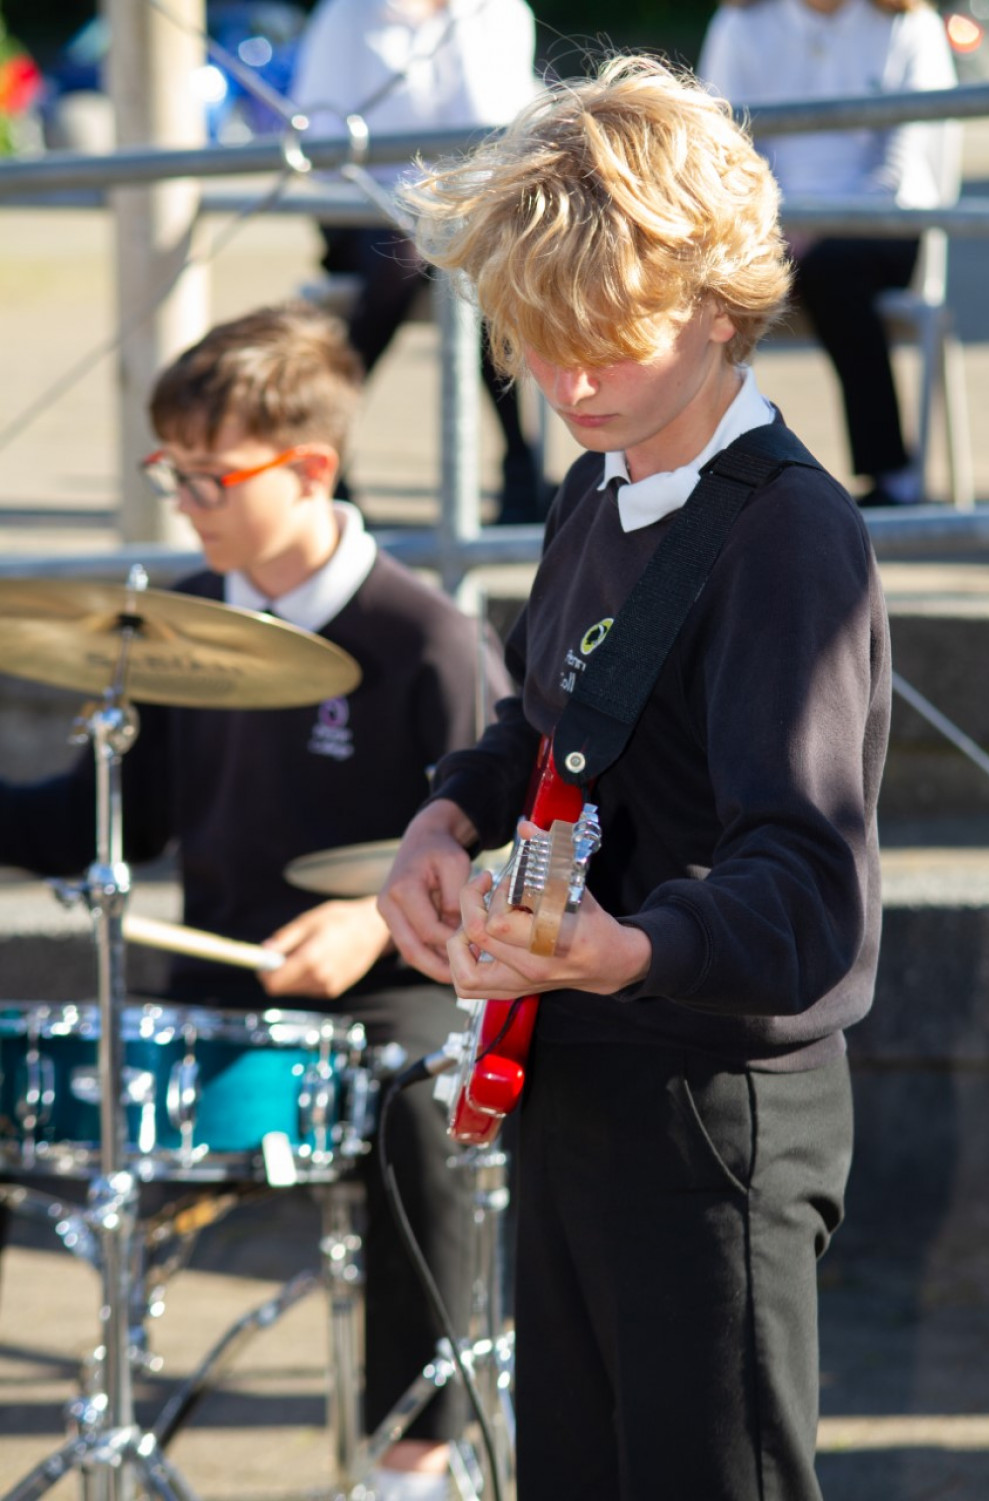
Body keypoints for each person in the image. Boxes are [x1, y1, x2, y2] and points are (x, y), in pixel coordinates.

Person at [376, 55, 892, 1500]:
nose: (570, 381)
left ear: (722, 298)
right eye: (537, 342)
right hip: (580, 1076)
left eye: (608, 338)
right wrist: (443, 816)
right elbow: (553, 725)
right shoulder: (598, 483)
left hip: (714, 1106)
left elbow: (808, 897)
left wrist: (626, 946)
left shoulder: (787, 538)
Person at [0, 302, 509, 1501]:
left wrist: (377, 920)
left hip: (398, 1000)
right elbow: (84, 826)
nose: (184, 495)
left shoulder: (426, 642)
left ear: (312, 468)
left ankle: (415, 1454)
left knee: (416, 1119)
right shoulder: (182, 622)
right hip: (219, 998)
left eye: (209, 473)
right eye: (167, 468)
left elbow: (499, 864)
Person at [290, 0, 552, 524]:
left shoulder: (495, 14)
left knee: (465, 263)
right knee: (413, 251)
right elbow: (318, 146)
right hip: (366, 210)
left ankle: (516, 464)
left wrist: (459, 24)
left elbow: (498, 127)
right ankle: (516, 462)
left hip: (469, 211)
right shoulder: (345, 17)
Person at [698, 0, 959, 508]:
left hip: (883, 227)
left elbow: (907, 163)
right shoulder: (741, 24)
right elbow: (723, 150)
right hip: (765, 230)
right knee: (689, 287)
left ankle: (888, 472)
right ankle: (705, 471)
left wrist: (821, 224)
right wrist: (772, 222)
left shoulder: (908, 24)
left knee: (834, 271)